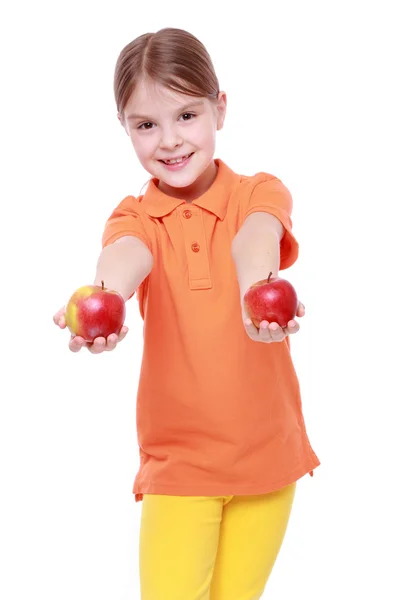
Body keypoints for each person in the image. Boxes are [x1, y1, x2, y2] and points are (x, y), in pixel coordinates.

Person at [53, 27, 320, 600]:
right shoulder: (136, 217)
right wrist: (103, 296)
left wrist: (256, 287)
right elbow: (123, 256)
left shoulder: (258, 191)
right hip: (180, 465)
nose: (169, 141)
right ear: (123, 127)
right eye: (146, 125)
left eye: (186, 115)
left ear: (219, 109)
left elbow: (259, 235)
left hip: (268, 458)